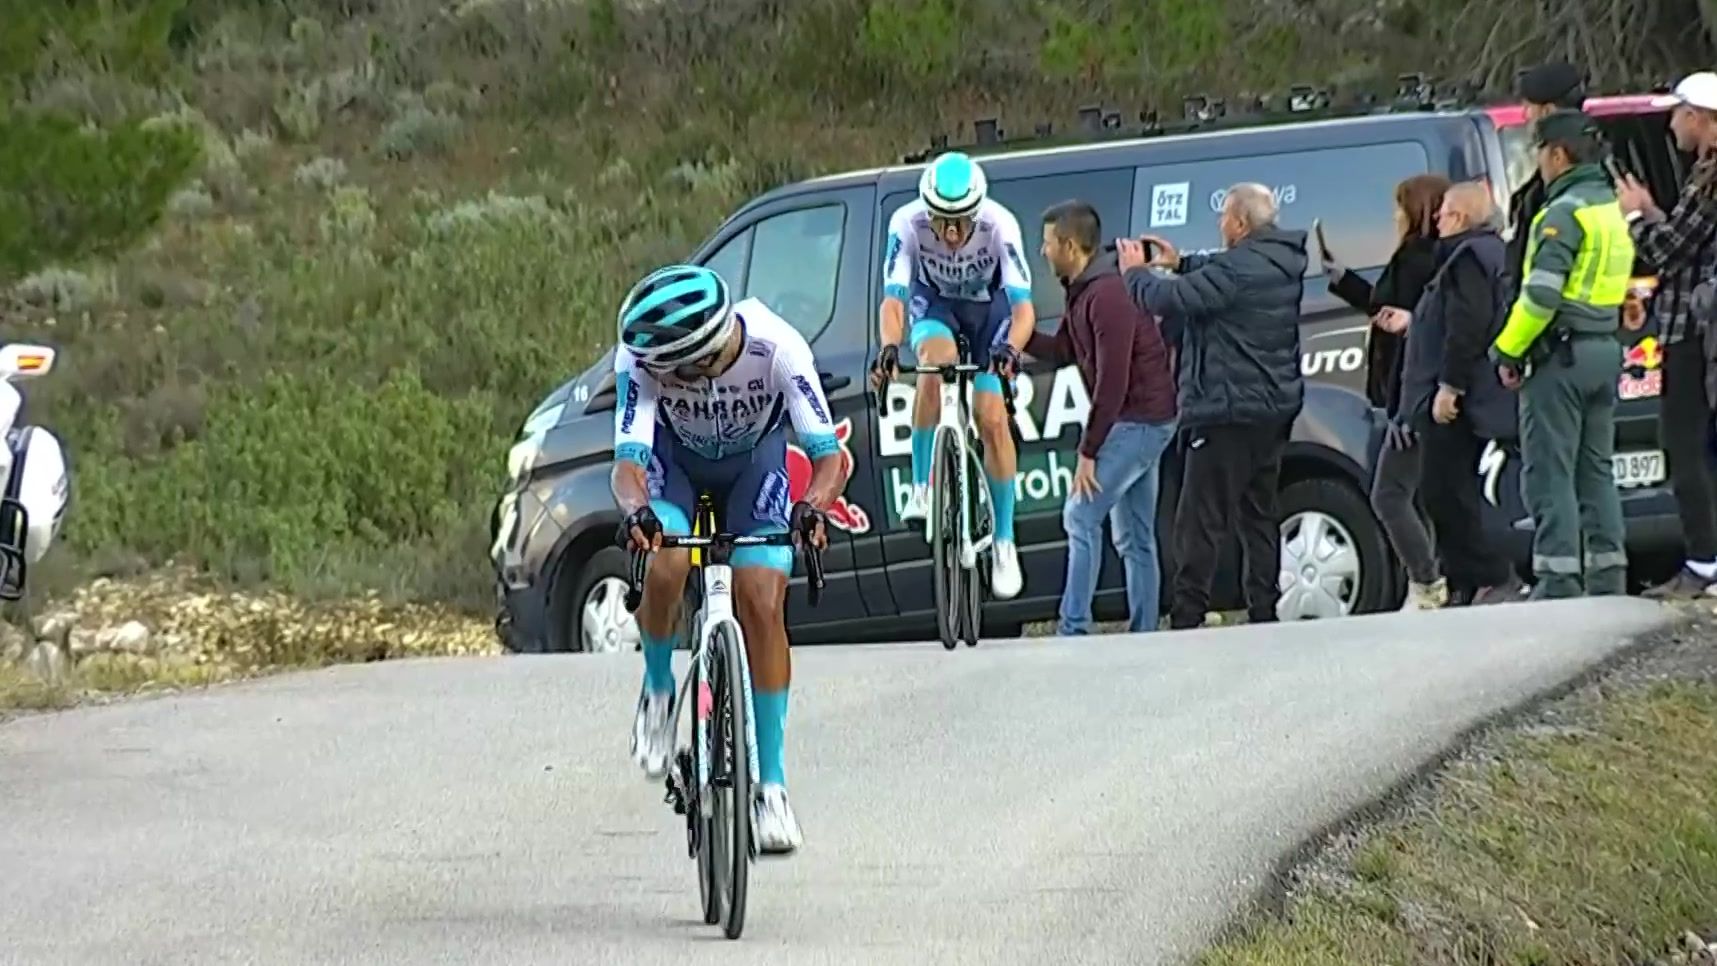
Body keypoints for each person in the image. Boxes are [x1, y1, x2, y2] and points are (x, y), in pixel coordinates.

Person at [612, 263, 847, 855]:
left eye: (671, 371)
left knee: (762, 599)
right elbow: (629, 463)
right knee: (664, 556)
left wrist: (814, 507)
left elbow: (829, 457)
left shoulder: (779, 348)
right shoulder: (641, 357)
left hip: (753, 468)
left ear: (702, 356)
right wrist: (637, 512)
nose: (661, 378)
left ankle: (772, 787)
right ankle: (659, 689)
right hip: (675, 467)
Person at [1118, 183, 1306, 628]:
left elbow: (1168, 298)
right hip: (1271, 409)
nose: (1220, 223)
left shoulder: (1236, 270)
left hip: (1226, 409)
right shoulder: (1280, 262)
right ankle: (1264, 609)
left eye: (1223, 216)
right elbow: (1220, 274)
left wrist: (1135, 274)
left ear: (1240, 223)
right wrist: (1180, 262)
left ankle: (1188, 615)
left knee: (1200, 518)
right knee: (1258, 514)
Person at [868, 151, 1036, 600]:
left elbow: (1023, 310)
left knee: (992, 418)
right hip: (936, 305)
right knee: (932, 364)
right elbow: (893, 300)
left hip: (989, 314)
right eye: (942, 221)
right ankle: (922, 488)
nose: (952, 233)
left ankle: (1004, 542)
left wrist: (1010, 350)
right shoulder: (906, 222)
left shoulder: (1001, 224)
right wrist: (889, 346)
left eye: (962, 221)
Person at [1490, 110, 1634, 599]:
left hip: (1561, 357)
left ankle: (1558, 580)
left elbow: (1540, 297)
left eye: (1539, 153)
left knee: (1550, 472)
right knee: (1596, 471)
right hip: (1603, 349)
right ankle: (1608, 575)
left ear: (1557, 154)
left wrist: (1507, 349)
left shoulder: (1562, 213)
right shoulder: (1608, 208)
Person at [1026, 200, 1178, 635]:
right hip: (1143, 418)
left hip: (1141, 420)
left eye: (1048, 242)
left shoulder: (1107, 295)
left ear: (1070, 246)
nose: (1043, 251)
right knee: (1134, 536)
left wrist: (1089, 451)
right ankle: (1144, 634)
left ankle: (1073, 628)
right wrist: (1019, 337)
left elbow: (1113, 380)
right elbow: (1064, 350)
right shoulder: (1083, 291)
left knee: (1080, 516)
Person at [1320, 174, 1451, 609]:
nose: (1394, 216)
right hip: (1408, 393)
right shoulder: (1428, 257)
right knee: (1415, 495)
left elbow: (1407, 321)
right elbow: (1387, 309)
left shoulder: (1417, 258)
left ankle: (1427, 582)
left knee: (1389, 494)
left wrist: (1401, 406)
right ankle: (1435, 579)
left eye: (1400, 207)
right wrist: (1345, 281)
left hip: (1406, 393)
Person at [1615, 71, 1717, 598]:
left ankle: (1704, 563)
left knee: (1685, 445)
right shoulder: (1702, 177)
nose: (1672, 125)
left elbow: (1666, 251)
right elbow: (1687, 240)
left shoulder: (1712, 180)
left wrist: (1635, 219)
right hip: (1695, 330)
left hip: (1695, 333)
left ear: (1698, 117)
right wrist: (1654, 210)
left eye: (1677, 114)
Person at [1403, 182, 1524, 604]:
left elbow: (1465, 326)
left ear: (1459, 217)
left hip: (1458, 400)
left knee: (1444, 491)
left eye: (1444, 212)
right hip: (1472, 395)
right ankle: (1467, 582)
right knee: (1447, 490)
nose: (1436, 218)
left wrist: (1448, 387)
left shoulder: (1467, 258)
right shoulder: (1485, 253)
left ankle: (1488, 575)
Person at [1506, 63, 1589, 290]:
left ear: (1547, 111)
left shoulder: (1573, 185)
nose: (1524, 115)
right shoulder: (1551, 182)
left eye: (1528, 107)